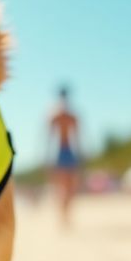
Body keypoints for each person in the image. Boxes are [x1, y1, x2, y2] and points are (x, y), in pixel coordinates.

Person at [48, 85, 81, 227]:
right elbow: (77, 137)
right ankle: (64, 216)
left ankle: (64, 216)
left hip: (62, 151)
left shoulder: (60, 114)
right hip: (64, 151)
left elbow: (48, 138)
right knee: (66, 187)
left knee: (66, 187)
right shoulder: (65, 115)